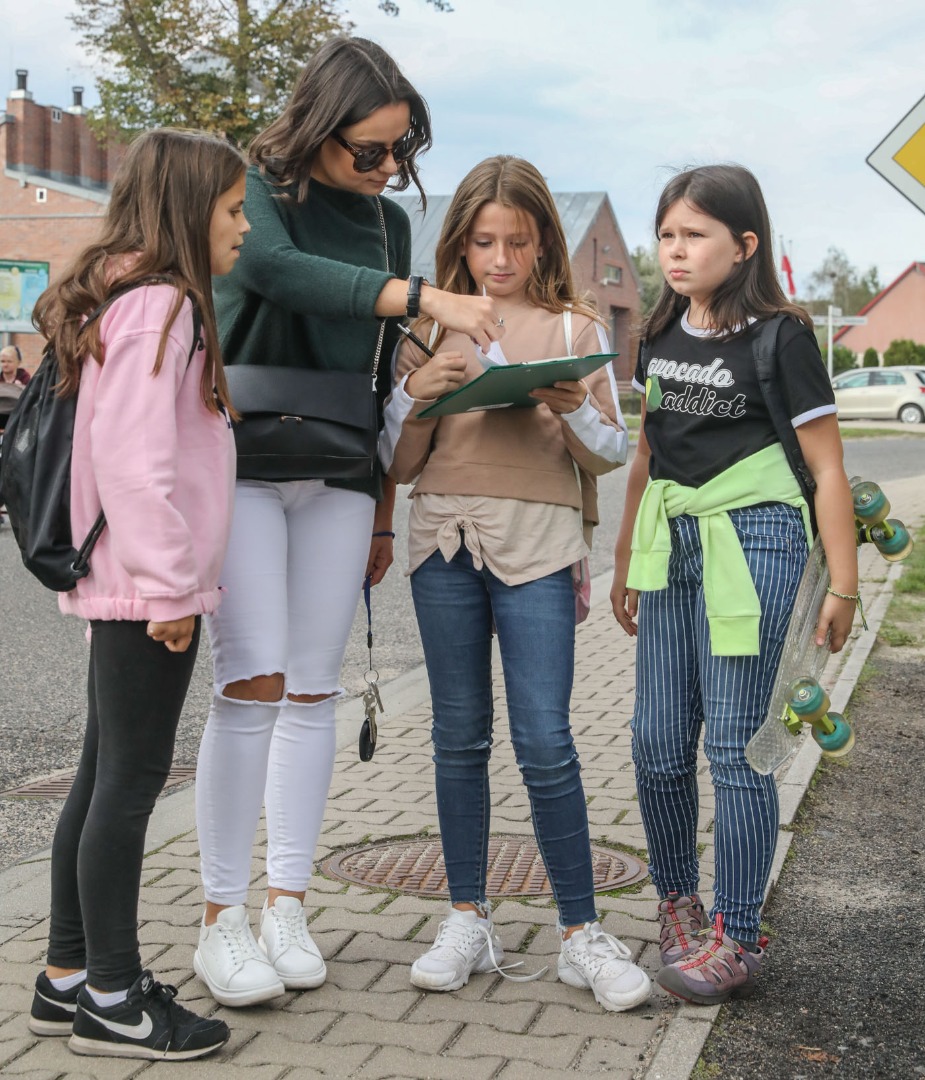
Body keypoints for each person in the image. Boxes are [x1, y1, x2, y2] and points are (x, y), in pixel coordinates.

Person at [192, 37, 503, 1009]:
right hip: (242, 458)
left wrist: (381, 500)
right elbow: (279, 274)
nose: (383, 170)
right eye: (367, 151)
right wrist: (425, 298)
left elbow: (376, 369)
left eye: (397, 153)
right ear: (321, 125)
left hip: (336, 464)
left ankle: (287, 898)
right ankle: (219, 916)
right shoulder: (257, 191)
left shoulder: (384, 224)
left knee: (315, 691)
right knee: (252, 684)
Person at [380, 155, 652, 1013]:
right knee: (458, 738)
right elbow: (396, 460)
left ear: (544, 244)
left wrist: (569, 405)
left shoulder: (574, 329)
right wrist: (416, 396)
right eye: (483, 241)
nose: (499, 259)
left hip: (537, 547)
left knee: (545, 741)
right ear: (460, 240)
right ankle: (467, 916)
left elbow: (610, 455)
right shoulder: (427, 330)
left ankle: (580, 932)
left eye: (518, 242)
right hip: (443, 542)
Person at [610, 164, 858, 1005]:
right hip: (670, 545)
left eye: (694, 235)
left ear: (743, 244)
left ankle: (738, 935)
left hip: (755, 542)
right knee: (653, 741)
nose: (675, 252)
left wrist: (843, 587)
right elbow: (647, 453)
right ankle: (678, 905)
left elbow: (825, 469)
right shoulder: (659, 329)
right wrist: (622, 563)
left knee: (735, 750)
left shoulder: (780, 337)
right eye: (666, 235)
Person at [25, 127, 248, 1060]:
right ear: (189, 211)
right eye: (233, 211)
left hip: (119, 578)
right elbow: (135, 463)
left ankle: (68, 974)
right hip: (145, 586)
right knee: (128, 782)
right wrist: (170, 586)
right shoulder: (164, 304)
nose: (242, 228)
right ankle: (115, 997)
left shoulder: (123, 294)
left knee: (101, 771)